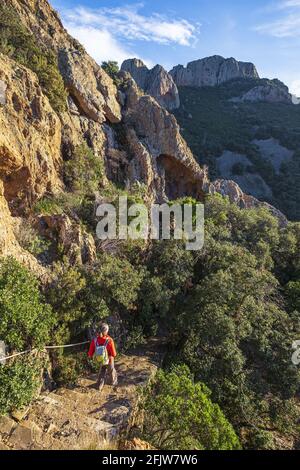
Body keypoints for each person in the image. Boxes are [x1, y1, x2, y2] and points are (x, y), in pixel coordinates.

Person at [88, 323, 118, 391]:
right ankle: (113, 382)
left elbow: (90, 353)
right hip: (109, 359)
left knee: (102, 372)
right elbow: (114, 354)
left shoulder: (94, 340)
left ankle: (99, 386)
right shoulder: (109, 340)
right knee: (111, 370)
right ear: (106, 331)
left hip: (100, 359)